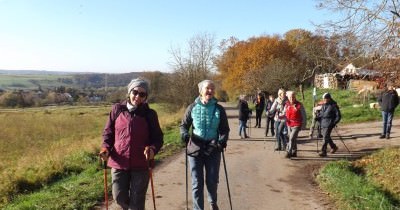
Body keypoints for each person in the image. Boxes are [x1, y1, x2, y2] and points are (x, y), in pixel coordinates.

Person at [100, 78, 164, 210]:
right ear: (129, 92)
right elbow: (108, 133)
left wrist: (152, 149)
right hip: (119, 162)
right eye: (135, 92)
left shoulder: (150, 114)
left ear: (146, 97)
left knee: (137, 202)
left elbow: (158, 138)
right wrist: (105, 147)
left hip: (141, 164)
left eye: (142, 94)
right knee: (118, 196)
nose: (137, 96)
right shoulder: (117, 110)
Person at [180, 80, 230, 210]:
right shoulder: (192, 107)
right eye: (207, 88)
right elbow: (184, 126)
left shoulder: (219, 109)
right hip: (195, 148)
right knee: (197, 182)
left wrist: (222, 142)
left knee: (212, 181)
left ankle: (212, 202)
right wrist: (185, 136)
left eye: (212, 89)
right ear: (200, 91)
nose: (210, 91)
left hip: (213, 149)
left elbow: (225, 129)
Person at [284, 91, 306, 158]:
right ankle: (294, 152)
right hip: (289, 124)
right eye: (290, 97)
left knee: (291, 138)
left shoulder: (299, 105)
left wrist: (303, 125)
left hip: (297, 124)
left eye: (293, 97)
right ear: (288, 97)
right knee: (293, 139)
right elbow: (284, 113)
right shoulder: (287, 104)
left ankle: (288, 152)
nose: (292, 98)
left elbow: (304, 115)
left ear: (295, 97)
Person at [317, 92, 340, 157]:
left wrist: (334, 122)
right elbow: (322, 114)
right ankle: (333, 147)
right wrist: (318, 117)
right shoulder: (324, 105)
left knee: (325, 137)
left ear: (329, 98)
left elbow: (338, 116)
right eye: (323, 99)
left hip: (329, 123)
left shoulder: (333, 106)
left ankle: (323, 151)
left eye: (325, 99)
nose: (324, 100)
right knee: (326, 136)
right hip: (323, 123)